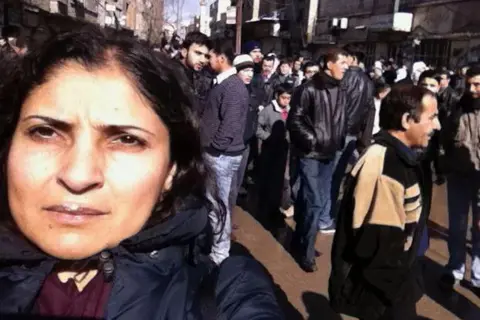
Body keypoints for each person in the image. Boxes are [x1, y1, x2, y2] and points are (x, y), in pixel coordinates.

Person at [0, 27, 283, 319]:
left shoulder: (220, 298)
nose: (78, 175)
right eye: (45, 132)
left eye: (126, 140)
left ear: (171, 170)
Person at [329, 85, 441, 320]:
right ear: (406, 120)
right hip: (381, 295)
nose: (436, 126)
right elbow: (378, 250)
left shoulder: (405, 160)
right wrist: (403, 296)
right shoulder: (384, 166)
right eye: (431, 118)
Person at [288, 48, 349, 272]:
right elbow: (295, 120)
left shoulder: (340, 90)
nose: (345, 66)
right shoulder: (308, 89)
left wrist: (338, 139)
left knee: (314, 199)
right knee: (314, 200)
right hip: (310, 154)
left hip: (330, 154)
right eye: (341, 62)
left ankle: (299, 237)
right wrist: (313, 141)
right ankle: (306, 251)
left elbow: (341, 119)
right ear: (327, 64)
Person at [201, 42, 249, 265]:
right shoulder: (223, 84)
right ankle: (216, 245)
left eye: (210, 56)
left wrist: (215, 148)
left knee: (220, 205)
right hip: (218, 154)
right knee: (215, 203)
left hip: (222, 156)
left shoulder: (232, 87)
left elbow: (229, 126)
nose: (207, 61)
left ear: (221, 58)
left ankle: (220, 254)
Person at [441, 64, 480, 294]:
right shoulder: (456, 108)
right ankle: (454, 268)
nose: (472, 89)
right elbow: (445, 139)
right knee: (457, 226)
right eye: (469, 84)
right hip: (458, 176)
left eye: (477, 84)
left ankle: (477, 275)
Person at [257, 84, 294, 224]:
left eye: (289, 98)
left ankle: (275, 207)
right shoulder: (268, 111)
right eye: (283, 97)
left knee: (281, 181)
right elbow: (258, 128)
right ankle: (265, 209)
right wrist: (268, 137)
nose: (286, 101)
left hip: (284, 150)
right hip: (270, 150)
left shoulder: (290, 111)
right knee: (268, 179)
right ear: (277, 96)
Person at [231, 54, 258, 204]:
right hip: (231, 145)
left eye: (251, 71)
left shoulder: (253, 91)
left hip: (245, 143)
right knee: (227, 185)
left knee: (237, 182)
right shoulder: (230, 90)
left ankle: (230, 211)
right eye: (245, 70)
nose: (249, 74)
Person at [177, 31, 213, 115]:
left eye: (206, 56)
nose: (203, 60)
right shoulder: (169, 75)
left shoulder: (201, 78)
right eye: (198, 53)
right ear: (184, 52)